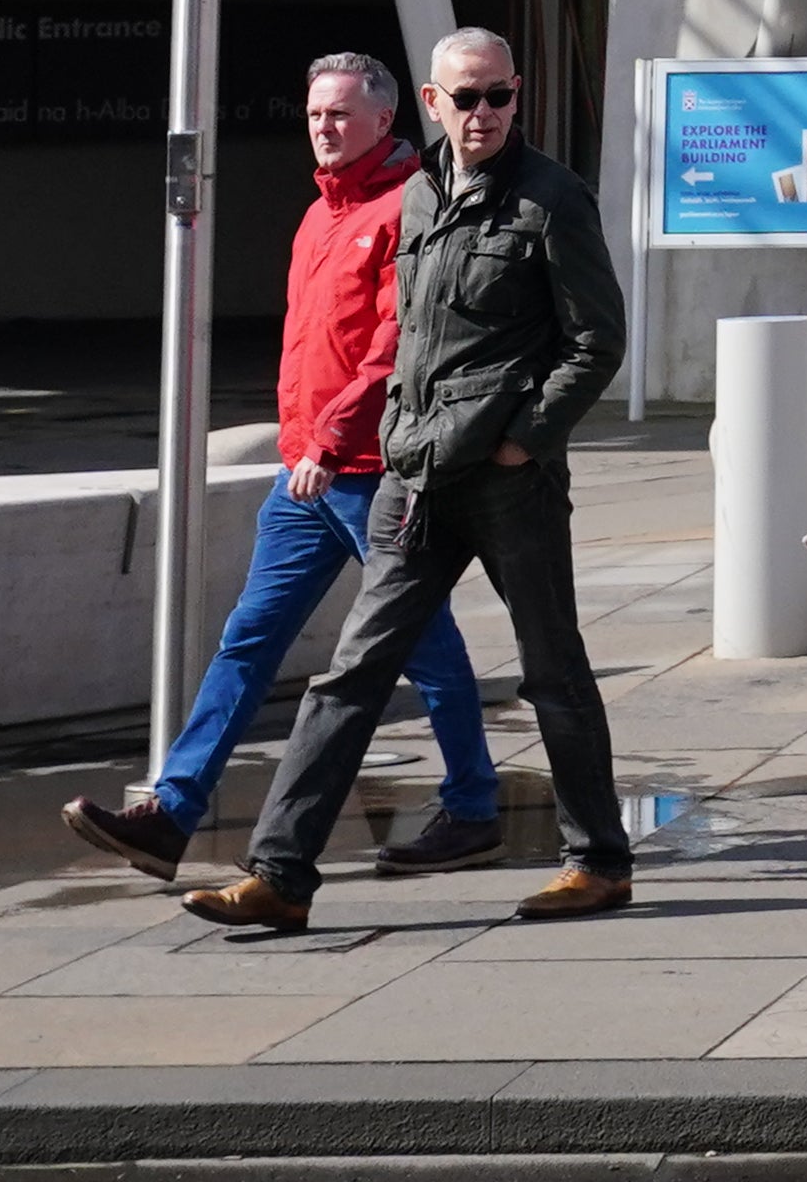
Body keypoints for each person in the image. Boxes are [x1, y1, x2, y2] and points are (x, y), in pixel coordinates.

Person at [180, 29, 632, 931]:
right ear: (433, 103)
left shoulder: (552, 198)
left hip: (508, 480)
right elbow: (411, 338)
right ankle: (280, 875)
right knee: (351, 675)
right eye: (466, 98)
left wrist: (525, 440)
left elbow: (596, 341)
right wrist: (396, 431)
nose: (483, 114)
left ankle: (599, 863)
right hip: (416, 477)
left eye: (498, 95)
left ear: (516, 94)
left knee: (553, 671)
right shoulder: (422, 193)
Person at [63, 53, 506, 884]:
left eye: (340, 114)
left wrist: (330, 444)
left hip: (372, 471)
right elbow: (312, 348)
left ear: (384, 120)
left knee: (424, 643)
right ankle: (171, 812)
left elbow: (395, 349)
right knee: (248, 641)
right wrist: (304, 446)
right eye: (314, 115)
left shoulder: (410, 207)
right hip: (306, 475)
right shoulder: (318, 215)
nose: (324, 128)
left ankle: (474, 808)